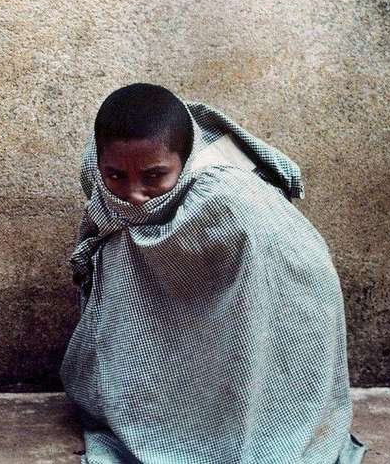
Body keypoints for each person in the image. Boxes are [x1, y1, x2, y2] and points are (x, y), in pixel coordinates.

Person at [60, 83, 368, 463]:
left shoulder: (227, 201)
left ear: (184, 159)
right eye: (117, 176)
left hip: (266, 294)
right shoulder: (100, 168)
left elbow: (285, 271)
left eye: (154, 178)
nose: (135, 194)